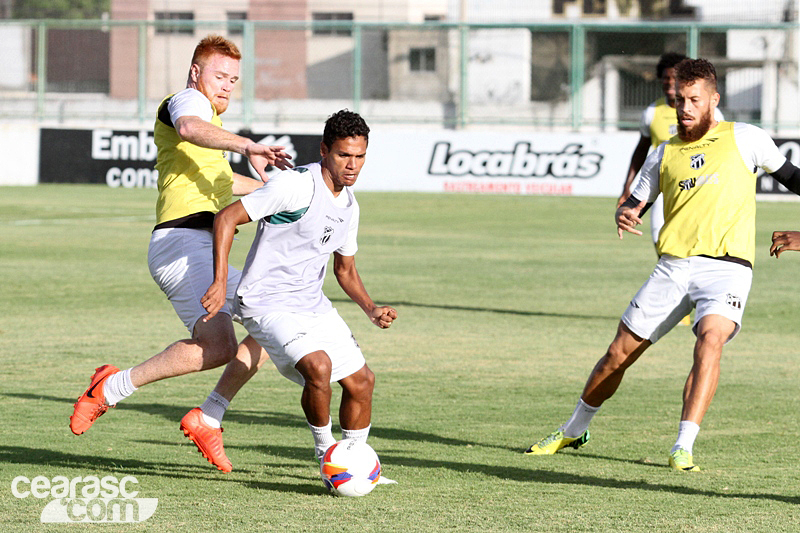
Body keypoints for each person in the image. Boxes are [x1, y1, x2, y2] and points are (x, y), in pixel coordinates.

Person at [525, 58, 800, 471]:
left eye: (694, 99)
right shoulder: (664, 151)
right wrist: (625, 214)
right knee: (618, 355)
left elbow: (796, 179)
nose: (685, 107)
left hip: (728, 268)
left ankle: (682, 446)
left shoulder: (747, 138)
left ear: (713, 100)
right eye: (680, 100)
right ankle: (572, 429)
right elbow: (636, 203)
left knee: (710, 338)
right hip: (673, 267)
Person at [69, 35, 292, 473]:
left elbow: (230, 185)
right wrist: (247, 144)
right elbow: (190, 128)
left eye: (233, 79)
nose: (227, 86)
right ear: (196, 73)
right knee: (218, 347)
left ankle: (209, 417)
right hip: (182, 242)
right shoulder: (186, 102)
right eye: (219, 76)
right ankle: (109, 388)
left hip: (204, 244)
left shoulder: (211, 132)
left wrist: (285, 191)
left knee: (274, 320)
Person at [200, 109, 397, 465]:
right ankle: (327, 456)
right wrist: (220, 280)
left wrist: (370, 308)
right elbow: (226, 218)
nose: (352, 165)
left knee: (362, 382)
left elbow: (345, 269)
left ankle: (355, 462)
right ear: (324, 150)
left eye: (359, 156)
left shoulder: (349, 206)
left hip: (311, 305)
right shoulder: (295, 185)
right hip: (266, 302)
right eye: (343, 155)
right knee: (318, 367)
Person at [617, 52, 724, 246]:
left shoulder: (711, 111)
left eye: (674, 78)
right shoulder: (651, 112)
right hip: (662, 186)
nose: (669, 82)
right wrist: (627, 186)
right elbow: (642, 149)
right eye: (666, 78)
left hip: (699, 184)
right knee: (662, 241)